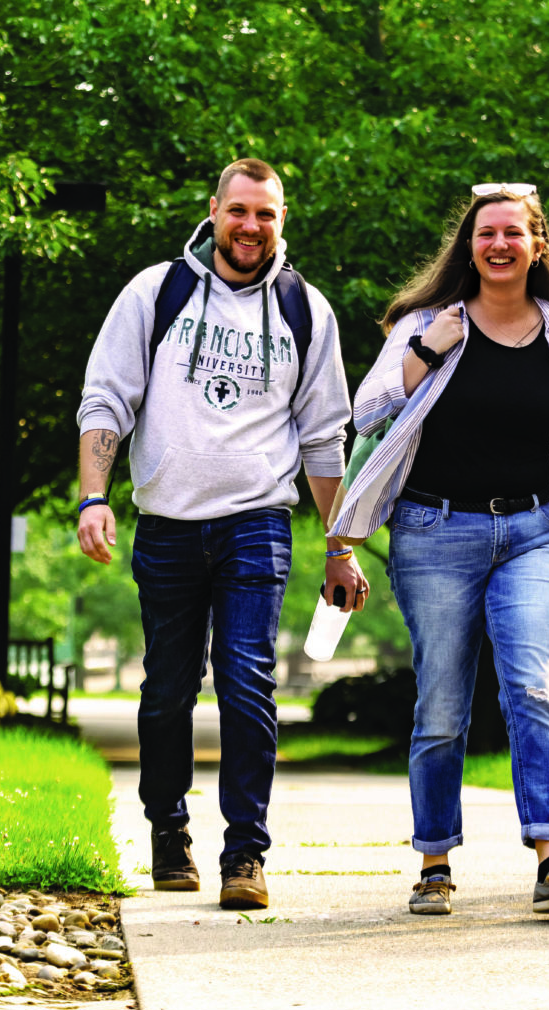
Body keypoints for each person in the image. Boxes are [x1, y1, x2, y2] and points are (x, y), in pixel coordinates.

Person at [328, 183, 549, 916]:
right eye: (486, 234)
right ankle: (433, 863)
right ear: (469, 245)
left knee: (530, 687)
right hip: (433, 532)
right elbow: (367, 409)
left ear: (537, 244)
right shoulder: (429, 322)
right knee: (443, 706)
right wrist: (427, 348)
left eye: (514, 233)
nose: (500, 245)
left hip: (532, 531)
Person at [76, 158, 367, 910]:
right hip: (168, 523)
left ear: (282, 219)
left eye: (266, 214)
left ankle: (246, 853)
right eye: (239, 211)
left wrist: (340, 546)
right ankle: (168, 830)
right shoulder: (156, 291)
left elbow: (323, 439)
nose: (251, 227)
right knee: (168, 689)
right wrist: (92, 496)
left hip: (257, 522)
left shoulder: (308, 309)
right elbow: (106, 398)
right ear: (215, 210)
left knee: (246, 684)